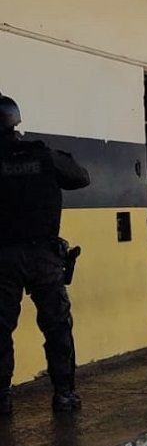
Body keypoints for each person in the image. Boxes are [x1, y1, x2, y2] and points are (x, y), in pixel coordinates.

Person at [0, 93, 90, 414]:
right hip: (45, 257)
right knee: (56, 326)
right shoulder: (45, 156)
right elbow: (82, 177)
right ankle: (64, 394)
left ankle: (2, 399)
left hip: (4, 258)